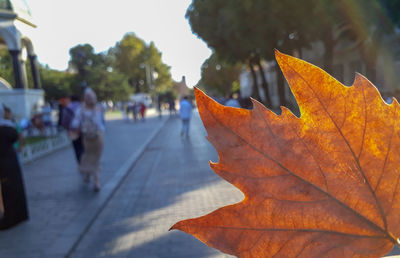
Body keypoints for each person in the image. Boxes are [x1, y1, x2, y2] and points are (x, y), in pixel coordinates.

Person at [0, 104, 29, 229]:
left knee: (7, 190)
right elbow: (16, 136)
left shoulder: (5, 126)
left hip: (4, 162)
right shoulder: (8, 126)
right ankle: (19, 215)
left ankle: (9, 218)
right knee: (13, 188)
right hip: (10, 160)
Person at [71, 88, 105, 192]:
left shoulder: (95, 109)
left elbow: (75, 124)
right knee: (91, 157)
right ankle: (94, 180)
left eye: (91, 97)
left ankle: (93, 178)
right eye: (88, 97)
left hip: (94, 137)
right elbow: (75, 123)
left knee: (94, 157)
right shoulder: (84, 110)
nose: (90, 99)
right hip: (90, 137)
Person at [62, 95, 84, 163]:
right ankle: (85, 159)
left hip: (73, 130)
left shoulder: (67, 108)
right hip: (83, 129)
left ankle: (80, 160)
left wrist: (67, 129)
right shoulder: (83, 106)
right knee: (84, 145)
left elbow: (64, 121)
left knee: (76, 146)